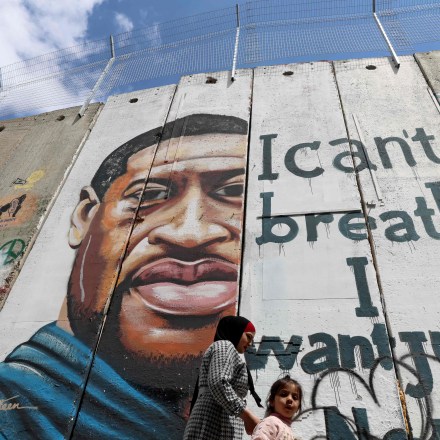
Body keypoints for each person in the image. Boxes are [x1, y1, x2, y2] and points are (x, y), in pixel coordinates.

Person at [0, 114, 250, 439]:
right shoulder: (17, 404)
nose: (191, 234)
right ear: (85, 217)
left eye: (231, 190)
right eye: (148, 195)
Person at [184, 315, 262, 439]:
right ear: (236, 331)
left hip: (218, 422)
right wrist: (246, 415)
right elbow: (218, 382)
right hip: (213, 422)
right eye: (248, 336)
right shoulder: (224, 345)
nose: (250, 343)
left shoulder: (229, 351)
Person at [251, 376, 302, 440]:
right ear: (272, 401)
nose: (290, 399)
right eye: (283, 394)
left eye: (295, 397)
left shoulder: (286, 427)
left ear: (298, 407)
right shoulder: (271, 422)